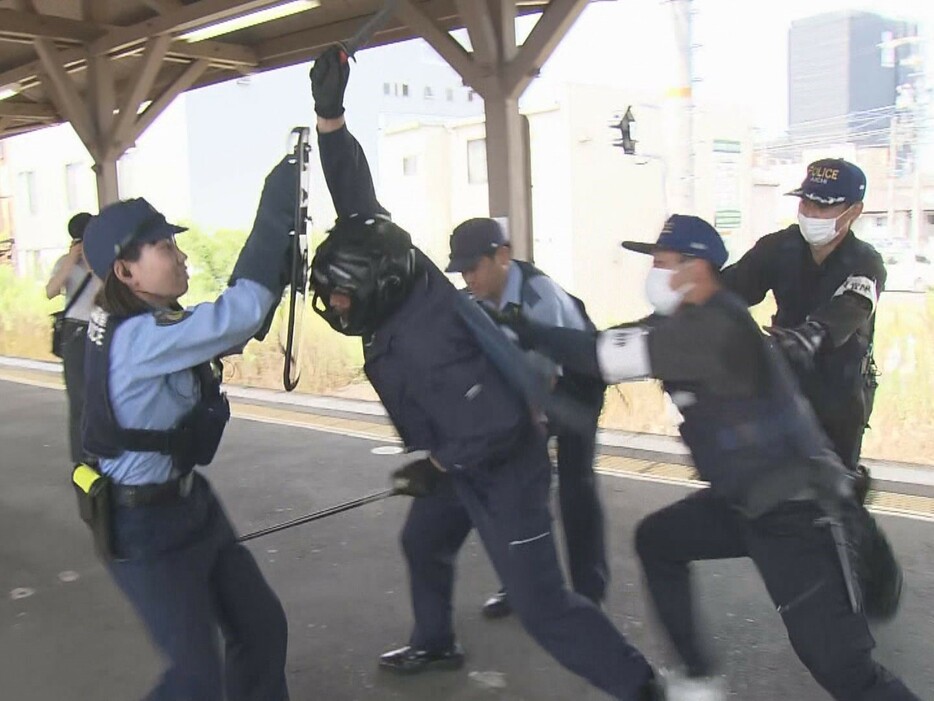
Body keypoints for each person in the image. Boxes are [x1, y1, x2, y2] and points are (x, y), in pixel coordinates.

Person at [306, 46, 657, 700]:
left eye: (344, 300)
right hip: (459, 455)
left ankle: (642, 685)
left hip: (503, 467)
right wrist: (330, 117)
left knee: (544, 604)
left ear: (374, 288)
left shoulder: (432, 338)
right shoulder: (396, 263)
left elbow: (494, 427)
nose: (339, 311)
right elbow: (355, 198)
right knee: (424, 541)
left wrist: (432, 465)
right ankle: (436, 641)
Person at [496, 214, 920, 701]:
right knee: (658, 539)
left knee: (844, 672)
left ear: (696, 268)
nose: (653, 272)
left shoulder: (714, 327)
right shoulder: (681, 322)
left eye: (662, 262)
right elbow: (613, 344)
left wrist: (527, 329)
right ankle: (698, 678)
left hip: (796, 515)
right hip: (743, 502)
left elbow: (601, 355)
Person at [78, 158, 296, 701]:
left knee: (261, 629)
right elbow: (238, 314)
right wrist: (277, 202)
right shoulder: (139, 340)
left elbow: (222, 332)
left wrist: (273, 277)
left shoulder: (152, 324)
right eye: (164, 248)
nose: (179, 255)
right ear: (125, 273)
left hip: (191, 506)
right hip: (142, 527)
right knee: (196, 680)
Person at [445, 217, 607, 617]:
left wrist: (521, 420)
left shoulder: (539, 296)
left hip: (575, 387)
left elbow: (544, 379)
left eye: (473, 268)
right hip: (530, 386)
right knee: (515, 487)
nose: (468, 278)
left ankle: (589, 594)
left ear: (502, 256)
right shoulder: (476, 300)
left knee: (576, 489)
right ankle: (524, 585)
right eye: (461, 271)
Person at [721, 158, 883, 501]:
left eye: (824, 206)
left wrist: (811, 335)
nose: (811, 212)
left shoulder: (865, 261)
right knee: (771, 489)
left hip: (838, 392)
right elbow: (733, 288)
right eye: (806, 202)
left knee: (833, 499)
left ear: (854, 211)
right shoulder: (779, 247)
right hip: (783, 382)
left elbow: (853, 306)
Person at [46, 212, 100, 463]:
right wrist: (71, 260)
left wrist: (92, 262)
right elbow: (51, 291)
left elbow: (108, 290)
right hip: (75, 332)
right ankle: (82, 458)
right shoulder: (64, 262)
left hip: (101, 328)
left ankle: (100, 451)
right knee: (79, 398)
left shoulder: (103, 261)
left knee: (101, 394)